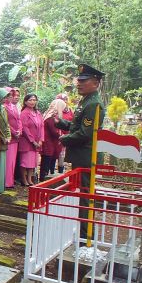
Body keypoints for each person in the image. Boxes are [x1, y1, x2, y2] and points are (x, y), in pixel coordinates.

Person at [55, 64, 105, 240]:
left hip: (86, 157)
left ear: (96, 83)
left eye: (84, 81)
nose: (78, 84)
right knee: (79, 193)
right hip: (80, 156)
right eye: (79, 80)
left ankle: (85, 236)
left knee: (85, 195)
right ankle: (81, 230)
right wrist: (61, 123)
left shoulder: (94, 104)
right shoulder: (86, 101)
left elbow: (85, 133)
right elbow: (78, 126)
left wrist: (63, 139)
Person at [18, 93, 43, 186]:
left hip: (37, 141)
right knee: (25, 162)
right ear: (25, 101)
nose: (32, 102)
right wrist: (33, 141)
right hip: (27, 141)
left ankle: (29, 178)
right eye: (30, 100)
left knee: (33, 162)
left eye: (34, 100)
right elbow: (24, 128)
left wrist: (41, 140)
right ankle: (23, 179)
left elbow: (42, 126)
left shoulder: (38, 113)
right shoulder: (24, 113)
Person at [40, 99, 66, 181]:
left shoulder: (48, 115)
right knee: (46, 161)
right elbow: (54, 131)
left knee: (49, 161)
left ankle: (47, 177)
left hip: (51, 143)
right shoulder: (50, 118)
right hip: (49, 143)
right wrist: (63, 136)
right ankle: (44, 178)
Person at [4, 87, 22, 188]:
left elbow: (19, 120)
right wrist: (14, 132)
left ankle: (10, 181)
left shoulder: (14, 107)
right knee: (8, 160)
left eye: (12, 95)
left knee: (13, 161)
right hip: (9, 137)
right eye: (8, 95)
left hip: (16, 137)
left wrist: (19, 130)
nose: (10, 97)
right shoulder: (4, 107)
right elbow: (5, 122)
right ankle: (7, 182)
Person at [55, 92, 73, 173]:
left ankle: (61, 171)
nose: (64, 102)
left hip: (67, 135)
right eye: (63, 100)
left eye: (66, 100)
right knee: (56, 154)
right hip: (56, 135)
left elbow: (73, 122)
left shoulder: (70, 110)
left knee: (63, 155)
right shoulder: (55, 111)